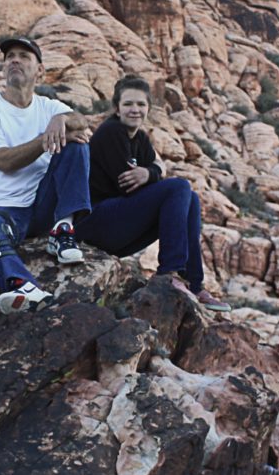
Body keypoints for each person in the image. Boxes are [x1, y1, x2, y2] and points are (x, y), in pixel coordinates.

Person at [77, 77, 231, 312]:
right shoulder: (112, 131)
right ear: (117, 108)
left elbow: (153, 174)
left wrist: (151, 172)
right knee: (179, 187)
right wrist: (153, 174)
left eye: (141, 104)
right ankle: (169, 274)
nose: (135, 110)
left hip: (118, 225)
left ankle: (194, 284)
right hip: (95, 222)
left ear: (148, 108)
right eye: (128, 104)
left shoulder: (140, 140)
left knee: (191, 198)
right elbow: (128, 187)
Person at [0, 36, 92, 314]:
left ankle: (63, 228)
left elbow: (81, 121)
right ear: (3, 68)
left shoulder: (48, 106)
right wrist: (43, 140)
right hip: (7, 207)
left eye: (24, 56)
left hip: (44, 204)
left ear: (40, 70)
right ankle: (22, 287)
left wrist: (62, 120)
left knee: (76, 142)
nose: (15, 60)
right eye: (10, 56)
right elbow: (4, 161)